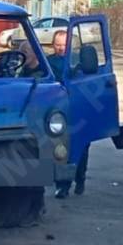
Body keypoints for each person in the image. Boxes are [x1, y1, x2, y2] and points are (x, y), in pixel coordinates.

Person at [48, 30, 88, 199]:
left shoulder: (78, 62)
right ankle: (62, 186)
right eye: (58, 45)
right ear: (52, 45)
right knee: (61, 148)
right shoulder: (48, 62)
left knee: (81, 148)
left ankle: (80, 179)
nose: (61, 48)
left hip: (78, 110)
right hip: (58, 112)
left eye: (64, 45)